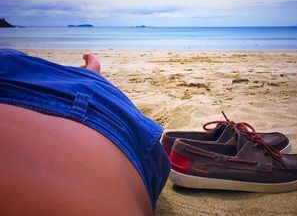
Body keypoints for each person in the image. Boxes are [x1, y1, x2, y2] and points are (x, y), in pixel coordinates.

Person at [0, 49, 171, 215]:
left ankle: (87, 77)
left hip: (107, 126)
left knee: (11, 59)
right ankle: (88, 77)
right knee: (11, 58)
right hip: (102, 119)